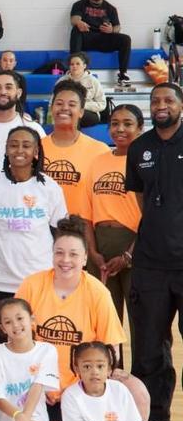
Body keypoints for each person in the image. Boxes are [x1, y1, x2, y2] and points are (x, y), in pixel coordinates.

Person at [15, 215, 151, 421]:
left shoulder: (97, 292)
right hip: (44, 389)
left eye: (74, 254)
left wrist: (107, 381)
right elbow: (17, 337)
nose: (66, 260)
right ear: (51, 254)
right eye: (59, 253)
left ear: (84, 259)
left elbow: (111, 345)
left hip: (81, 387)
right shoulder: (32, 285)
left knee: (137, 391)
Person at [125, 82, 183, 421]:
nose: (161, 105)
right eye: (155, 100)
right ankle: (155, 416)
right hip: (150, 263)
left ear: (180, 105)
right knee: (149, 343)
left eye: (168, 100)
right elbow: (141, 199)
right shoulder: (140, 147)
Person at [0, 127, 67, 351]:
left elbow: (58, 232)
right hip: (0, 280)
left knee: (40, 344)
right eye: (14, 144)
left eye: (26, 145)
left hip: (38, 279)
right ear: (6, 150)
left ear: (36, 151)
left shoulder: (49, 187)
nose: (19, 150)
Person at [82, 105, 143, 340]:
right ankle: (108, 372)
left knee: (141, 320)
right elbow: (87, 214)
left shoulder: (145, 162)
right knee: (104, 320)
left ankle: (142, 376)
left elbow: (151, 217)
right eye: (115, 123)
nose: (120, 129)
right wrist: (93, 252)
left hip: (136, 244)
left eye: (127, 124)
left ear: (140, 128)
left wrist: (129, 255)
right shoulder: (97, 162)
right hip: (100, 246)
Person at [42, 80, 109, 219]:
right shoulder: (36, 148)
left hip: (81, 231)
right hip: (41, 230)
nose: (64, 108)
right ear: (52, 108)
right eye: (59, 103)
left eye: (72, 104)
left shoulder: (99, 150)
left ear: (81, 112)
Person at [69, 0, 132, 87]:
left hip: (103, 39)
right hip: (86, 38)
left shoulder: (110, 8)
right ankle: (76, 72)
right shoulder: (80, 4)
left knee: (125, 39)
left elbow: (118, 26)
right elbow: (74, 19)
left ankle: (123, 75)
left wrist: (111, 30)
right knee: (75, 30)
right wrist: (79, 23)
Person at [53, 52, 106, 128]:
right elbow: (53, 102)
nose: (74, 66)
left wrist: (81, 106)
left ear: (84, 66)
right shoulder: (61, 81)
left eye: (78, 64)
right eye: (72, 64)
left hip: (88, 113)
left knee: (75, 114)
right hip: (66, 110)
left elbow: (102, 104)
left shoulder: (93, 81)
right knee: (68, 115)